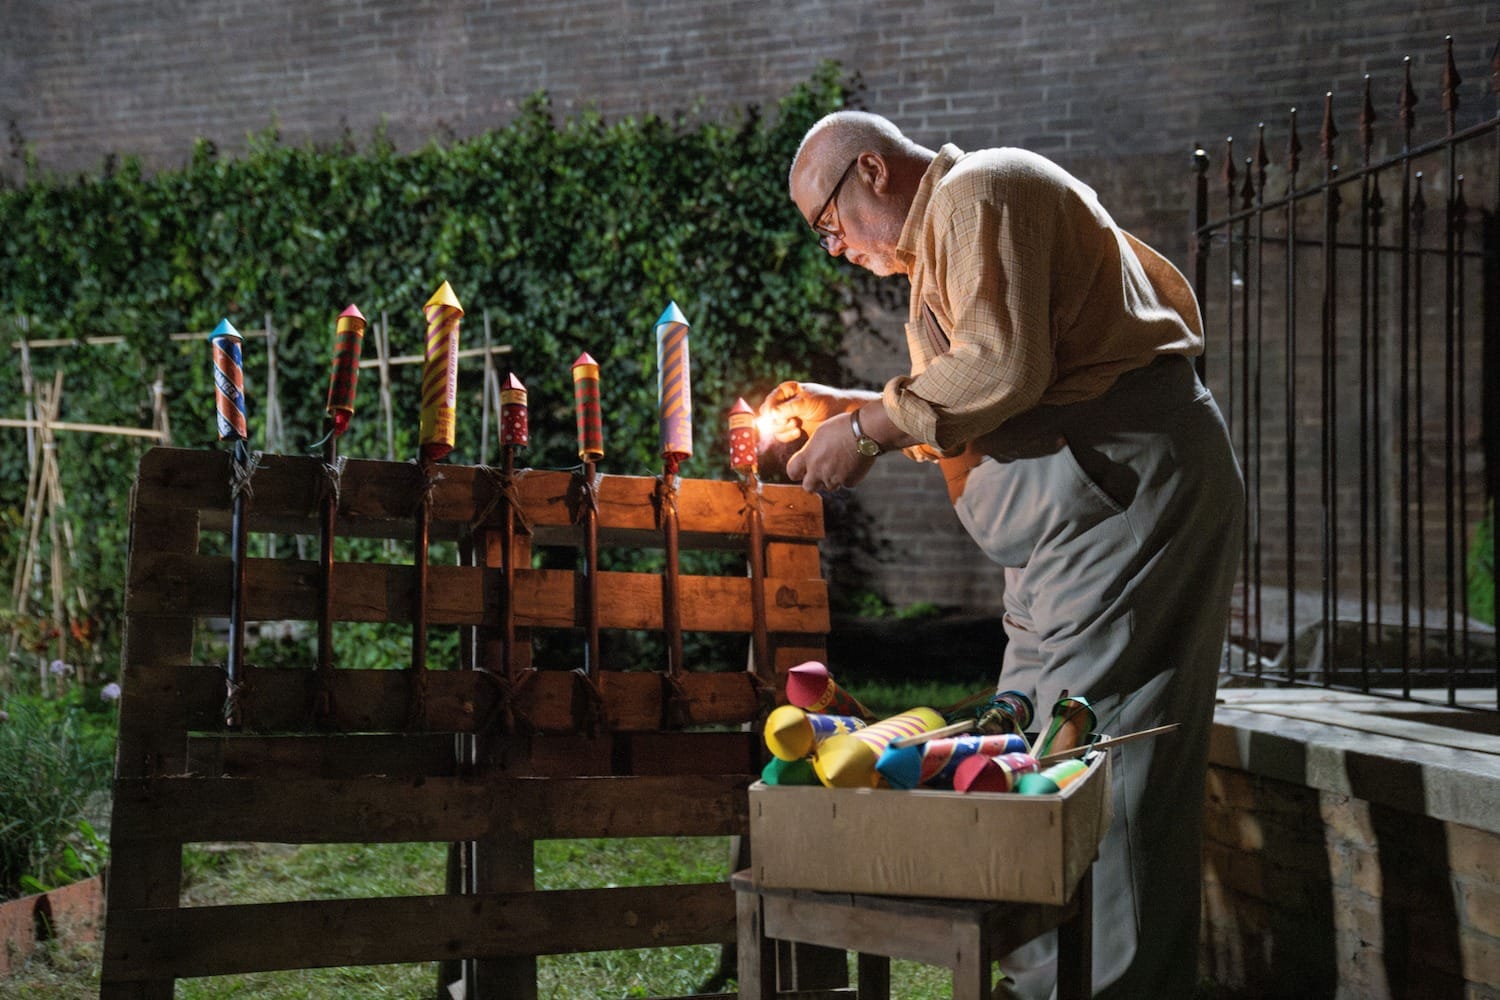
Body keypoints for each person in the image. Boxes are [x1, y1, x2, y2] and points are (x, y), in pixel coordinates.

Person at [762, 110, 1244, 999]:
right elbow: (987, 388)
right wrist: (855, 403)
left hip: (1120, 509)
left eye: (828, 223)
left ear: (870, 169)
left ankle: (1107, 990)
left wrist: (866, 430)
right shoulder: (955, 223)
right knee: (1030, 761)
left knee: (1100, 762)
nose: (832, 248)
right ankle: (1045, 983)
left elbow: (999, 369)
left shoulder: (978, 191)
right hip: (1073, 534)